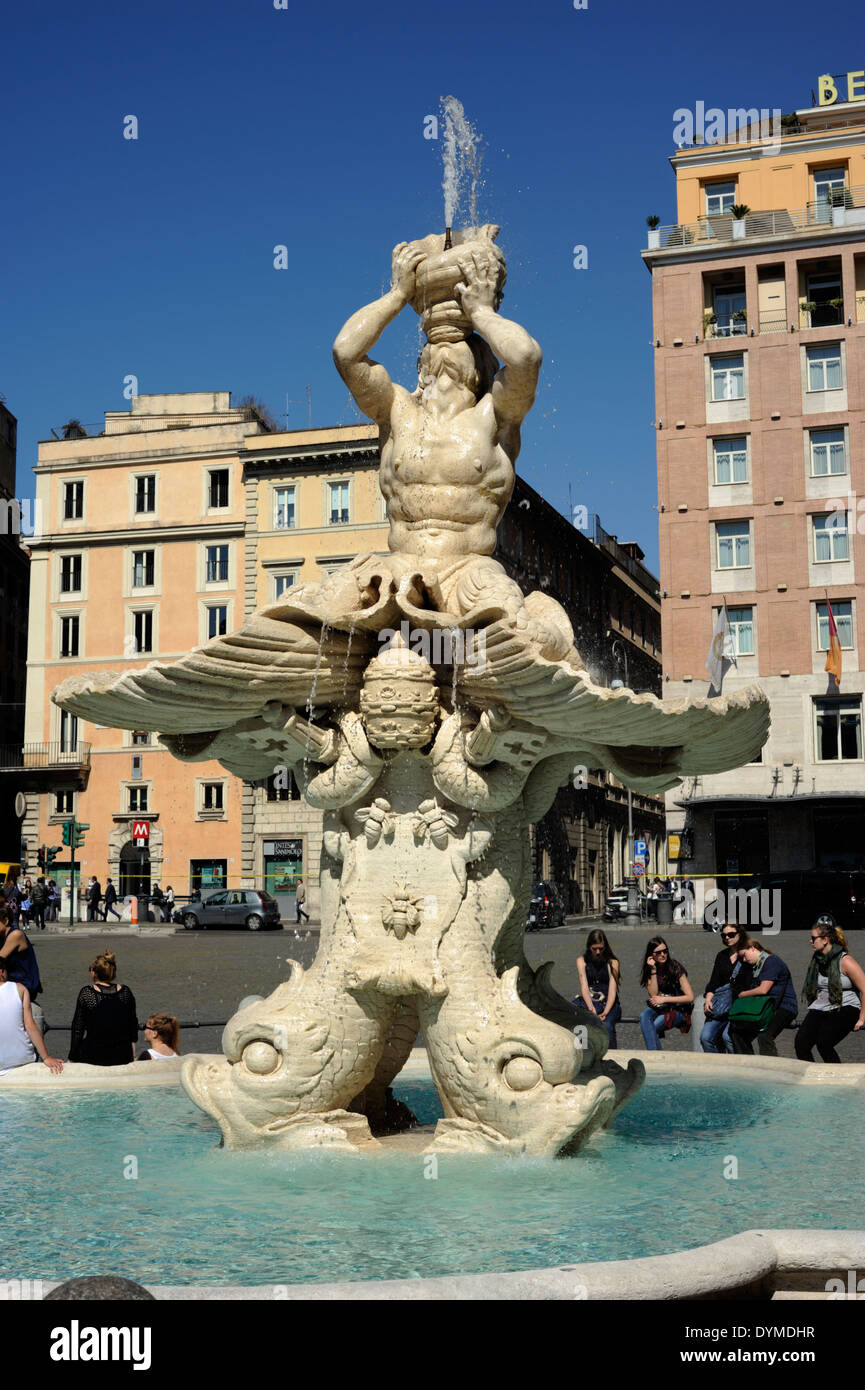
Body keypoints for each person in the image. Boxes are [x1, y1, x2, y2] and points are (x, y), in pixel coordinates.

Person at [795, 916, 865, 1064]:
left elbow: (864, 989)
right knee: (801, 1042)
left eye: (813, 938)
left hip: (846, 1006)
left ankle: (837, 1079)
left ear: (825, 940)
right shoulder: (816, 960)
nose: (810, 941)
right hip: (822, 1007)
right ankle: (811, 1077)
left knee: (824, 1042)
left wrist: (862, 1018)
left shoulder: (845, 961)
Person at [725, 939, 798, 1056]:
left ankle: (770, 1068)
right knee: (737, 1033)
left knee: (764, 1035)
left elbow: (764, 989)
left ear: (753, 948)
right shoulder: (757, 966)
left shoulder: (771, 961)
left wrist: (743, 994)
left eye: (744, 956)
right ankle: (750, 1066)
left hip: (783, 1007)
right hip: (765, 1008)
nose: (744, 960)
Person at [69, 951, 139, 1066]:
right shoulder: (125, 992)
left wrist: (72, 1057)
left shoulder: (87, 993)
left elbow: (78, 1028)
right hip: (122, 1054)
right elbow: (133, 1025)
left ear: (94, 973)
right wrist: (132, 1053)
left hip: (94, 1055)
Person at [0, 958, 62, 1075]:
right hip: (22, 1058)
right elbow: (30, 1025)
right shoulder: (20, 989)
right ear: (2, 972)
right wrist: (47, 1057)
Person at [639, 935, 694, 1050]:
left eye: (665, 951)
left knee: (652, 1027)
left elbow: (690, 997)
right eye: (658, 952)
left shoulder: (675, 966)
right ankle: (656, 1056)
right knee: (644, 1015)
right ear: (652, 955)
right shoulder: (650, 969)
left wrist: (665, 999)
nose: (663, 954)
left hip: (678, 1009)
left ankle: (655, 1057)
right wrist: (653, 971)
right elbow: (654, 995)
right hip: (662, 1007)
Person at [701, 922, 748, 1053]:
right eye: (724, 935)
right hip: (721, 1005)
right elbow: (713, 982)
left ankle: (736, 1067)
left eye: (731, 934)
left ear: (740, 934)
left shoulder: (747, 955)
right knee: (705, 1037)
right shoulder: (721, 956)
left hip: (738, 1006)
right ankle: (717, 1069)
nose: (727, 938)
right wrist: (708, 999)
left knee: (727, 1036)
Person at [574, 929, 622, 1047]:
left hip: (609, 1003)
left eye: (601, 948)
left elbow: (612, 990)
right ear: (589, 947)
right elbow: (584, 987)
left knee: (607, 1026)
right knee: (580, 1025)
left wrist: (606, 1011)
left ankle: (612, 1057)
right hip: (590, 1001)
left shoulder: (613, 963)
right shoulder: (581, 961)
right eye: (594, 949)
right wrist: (592, 1010)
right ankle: (583, 1056)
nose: (598, 952)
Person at [0, 903, 43, 1003]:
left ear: (6, 921)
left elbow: (0, 958)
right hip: (11, 983)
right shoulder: (1, 937)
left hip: (23, 984)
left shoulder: (16, 934)